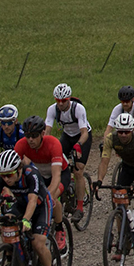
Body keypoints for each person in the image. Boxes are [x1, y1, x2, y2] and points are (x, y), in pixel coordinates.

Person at [15, 115, 70, 250]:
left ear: (43, 133)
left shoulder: (53, 144)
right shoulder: (21, 145)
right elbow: (14, 170)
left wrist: (48, 196)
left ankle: (59, 229)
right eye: (28, 136)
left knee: (52, 198)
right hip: (41, 174)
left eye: (34, 135)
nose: (31, 140)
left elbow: (56, 176)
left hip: (60, 173)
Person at [95, 112, 134, 234]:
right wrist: (99, 180)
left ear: (132, 130)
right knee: (120, 201)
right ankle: (122, 240)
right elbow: (104, 162)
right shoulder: (111, 138)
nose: (123, 135)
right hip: (127, 167)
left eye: (126, 132)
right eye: (120, 131)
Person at [44, 83, 92, 218]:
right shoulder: (52, 110)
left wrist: (78, 145)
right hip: (67, 136)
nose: (60, 104)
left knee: (78, 170)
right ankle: (66, 191)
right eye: (57, 100)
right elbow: (47, 130)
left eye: (63, 101)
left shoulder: (78, 109)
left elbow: (84, 133)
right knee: (58, 165)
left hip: (82, 137)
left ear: (69, 99)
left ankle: (80, 207)